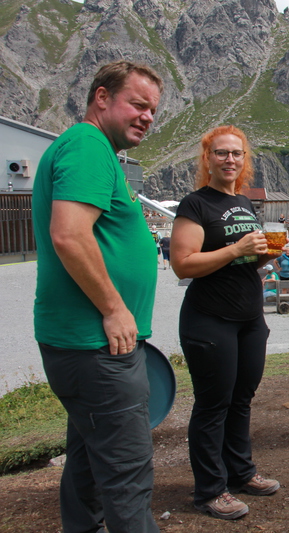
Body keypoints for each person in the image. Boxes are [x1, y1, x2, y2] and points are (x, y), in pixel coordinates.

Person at [31, 60, 164, 533]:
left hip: (88, 345)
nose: (147, 117)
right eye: (138, 104)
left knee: (87, 465)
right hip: (97, 347)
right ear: (102, 98)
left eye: (153, 110)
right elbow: (69, 235)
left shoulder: (96, 149)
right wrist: (113, 308)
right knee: (128, 476)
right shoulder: (88, 144)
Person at [171, 125, 281, 521]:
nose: (229, 160)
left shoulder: (244, 202)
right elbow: (183, 264)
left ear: (244, 159)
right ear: (207, 158)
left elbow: (243, 261)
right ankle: (210, 490)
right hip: (209, 319)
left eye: (236, 153)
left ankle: (241, 472)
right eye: (221, 153)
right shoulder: (195, 203)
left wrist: (265, 255)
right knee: (212, 405)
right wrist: (236, 248)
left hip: (249, 318)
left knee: (241, 399)